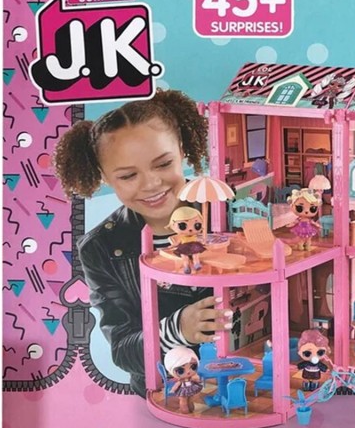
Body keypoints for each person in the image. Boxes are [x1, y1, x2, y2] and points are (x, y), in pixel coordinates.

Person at [53, 89, 231, 395]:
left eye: (163, 164)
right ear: (105, 177)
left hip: (245, 379)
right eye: (127, 176)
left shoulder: (226, 208)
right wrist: (178, 329)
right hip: (164, 393)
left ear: (182, 150)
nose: (151, 184)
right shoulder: (100, 247)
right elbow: (122, 349)